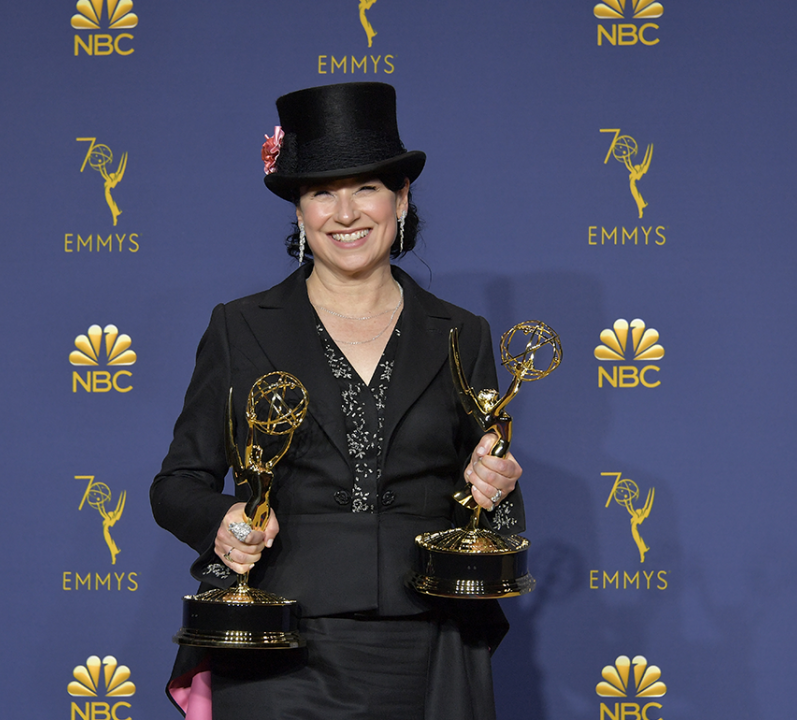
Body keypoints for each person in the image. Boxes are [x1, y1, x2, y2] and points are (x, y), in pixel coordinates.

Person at [151, 82, 526, 719]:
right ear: (299, 212)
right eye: (322, 191)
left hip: (433, 640)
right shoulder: (239, 327)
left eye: (367, 188)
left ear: (401, 199)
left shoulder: (464, 333)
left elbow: (485, 499)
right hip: (279, 642)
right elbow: (177, 483)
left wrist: (498, 482)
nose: (345, 212)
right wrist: (221, 520)